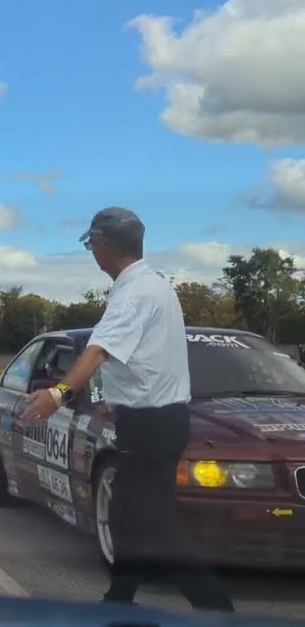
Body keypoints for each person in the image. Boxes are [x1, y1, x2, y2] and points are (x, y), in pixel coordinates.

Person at [20, 207, 234, 612]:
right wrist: (111, 403)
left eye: (90, 245)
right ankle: (119, 601)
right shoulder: (153, 284)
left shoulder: (133, 295)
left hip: (152, 425)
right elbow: (139, 359)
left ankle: (218, 611)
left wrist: (59, 394)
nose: (91, 253)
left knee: (159, 528)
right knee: (125, 514)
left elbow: (98, 350)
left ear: (104, 245)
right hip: (157, 419)